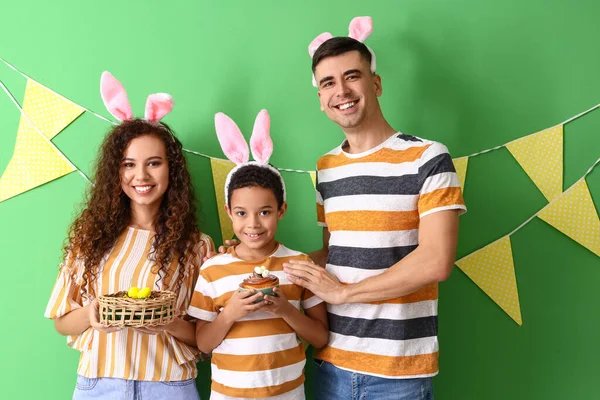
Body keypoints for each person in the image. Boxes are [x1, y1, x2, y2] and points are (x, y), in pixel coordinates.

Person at [282, 17, 467, 400]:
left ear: (375, 83)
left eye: (352, 76)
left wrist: (345, 294)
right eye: (328, 83)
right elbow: (336, 253)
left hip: (397, 373)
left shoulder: (428, 157)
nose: (341, 90)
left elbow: (436, 260)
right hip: (330, 362)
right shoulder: (327, 168)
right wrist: (262, 261)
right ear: (320, 99)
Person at [44, 72, 214, 399]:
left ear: (171, 170)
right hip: (99, 385)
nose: (141, 176)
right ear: (116, 171)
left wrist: (167, 323)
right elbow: (61, 322)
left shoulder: (197, 246)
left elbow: (205, 336)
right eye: (129, 164)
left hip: (169, 386)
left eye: (154, 163)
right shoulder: (90, 237)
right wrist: (91, 315)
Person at [188, 110, 328, 400]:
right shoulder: (213, 269)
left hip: (288, 393)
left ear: (281, 210)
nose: (252, 224)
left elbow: (321, 337)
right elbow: (203, 343)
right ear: (229, 213)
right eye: (241, 213)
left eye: (265, 212)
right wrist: (231, 313)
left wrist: (285, 309)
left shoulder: (299, 265)